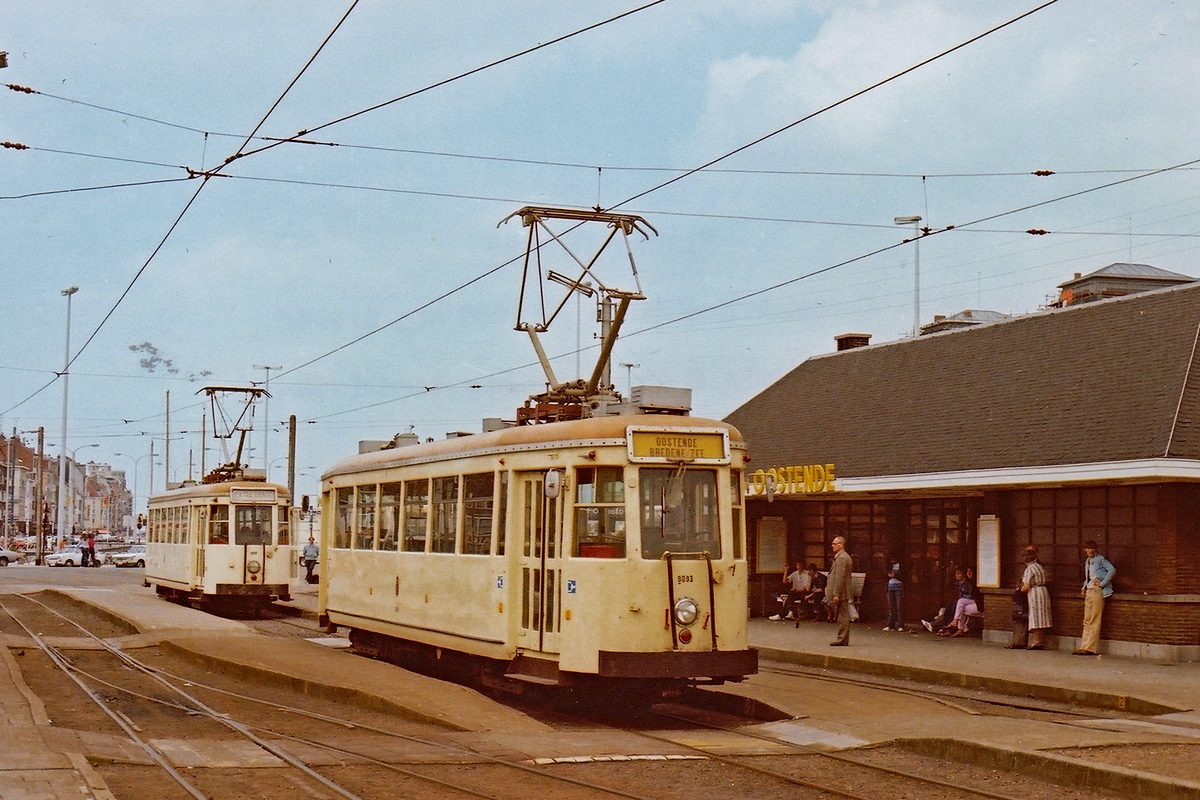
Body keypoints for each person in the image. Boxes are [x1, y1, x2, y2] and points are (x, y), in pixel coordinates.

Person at [1075, 540, 1115, 656]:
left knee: (1094, 619)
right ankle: (1083, 645)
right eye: (1088, 548)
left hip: (1098, 591)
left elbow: (1112, 570)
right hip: (1089, 591)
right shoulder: (1087, 562)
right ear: (1085, 550)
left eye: (1093, 548)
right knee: (1087, 619)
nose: (1091, 550)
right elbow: (1088, 578)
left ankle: (1090, 647)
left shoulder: (1100, 559)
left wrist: (1103, 584)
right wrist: (1084, 587)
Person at [1020, 545, 1052, 650]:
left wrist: (1020, 590)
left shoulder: (1029, 569)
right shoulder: (1040, 566)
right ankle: (1040, 641)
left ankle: (1036, 642)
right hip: (1043, 591)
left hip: (1035, 593)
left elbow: (1026, 586)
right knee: (1043, 616)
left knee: (1036, 616)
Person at [826, 536, 853, 646]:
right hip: (843, 590)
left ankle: (842, 638)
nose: (832, 545)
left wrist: (836, 593)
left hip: (842, 591)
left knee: (842, 616)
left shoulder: (842, 558)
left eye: (834, 543)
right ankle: (842, 638)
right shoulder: (842, 557)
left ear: (841, 544)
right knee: (842, 615)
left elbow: (840, 577)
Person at [937, 567, 979, 637]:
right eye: (956, 574)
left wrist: (962, 599)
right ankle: (956, 629)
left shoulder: (970, 582)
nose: (957, 575)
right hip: (966, 603)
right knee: (951, 605)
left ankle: (953, 624)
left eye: (970, 572)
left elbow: (972, 595)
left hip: (974, 602)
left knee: (959, 603)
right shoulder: (960, 583)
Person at [884, 562, 904, 632]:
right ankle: (890, 625)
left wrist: (895, 575)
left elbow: (904, 575)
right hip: (890, 586)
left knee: (899, 607)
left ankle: (900, 625)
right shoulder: (889, 565)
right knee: (891, 607)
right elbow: (885, 574)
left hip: (899, 587)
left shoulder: (902, 565)